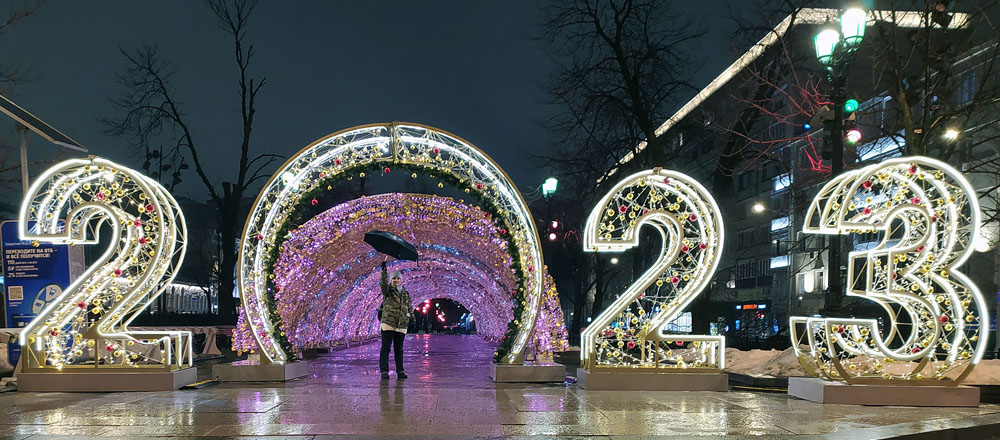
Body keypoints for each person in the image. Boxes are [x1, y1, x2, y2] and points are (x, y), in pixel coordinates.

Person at [379, 259, 413, 380]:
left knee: (399, 349)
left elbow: (409, 306)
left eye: (398, 279)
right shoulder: (387, 290)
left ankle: (400, 371)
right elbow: (383, 284)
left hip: (401, 324)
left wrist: (412, 319)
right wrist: (383, 270)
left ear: (401, 280)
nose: (396, 281)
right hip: (388, 323)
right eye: (394, 279)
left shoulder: (406, 293)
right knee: (386, 347)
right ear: (391, 280)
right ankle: (384, 371)